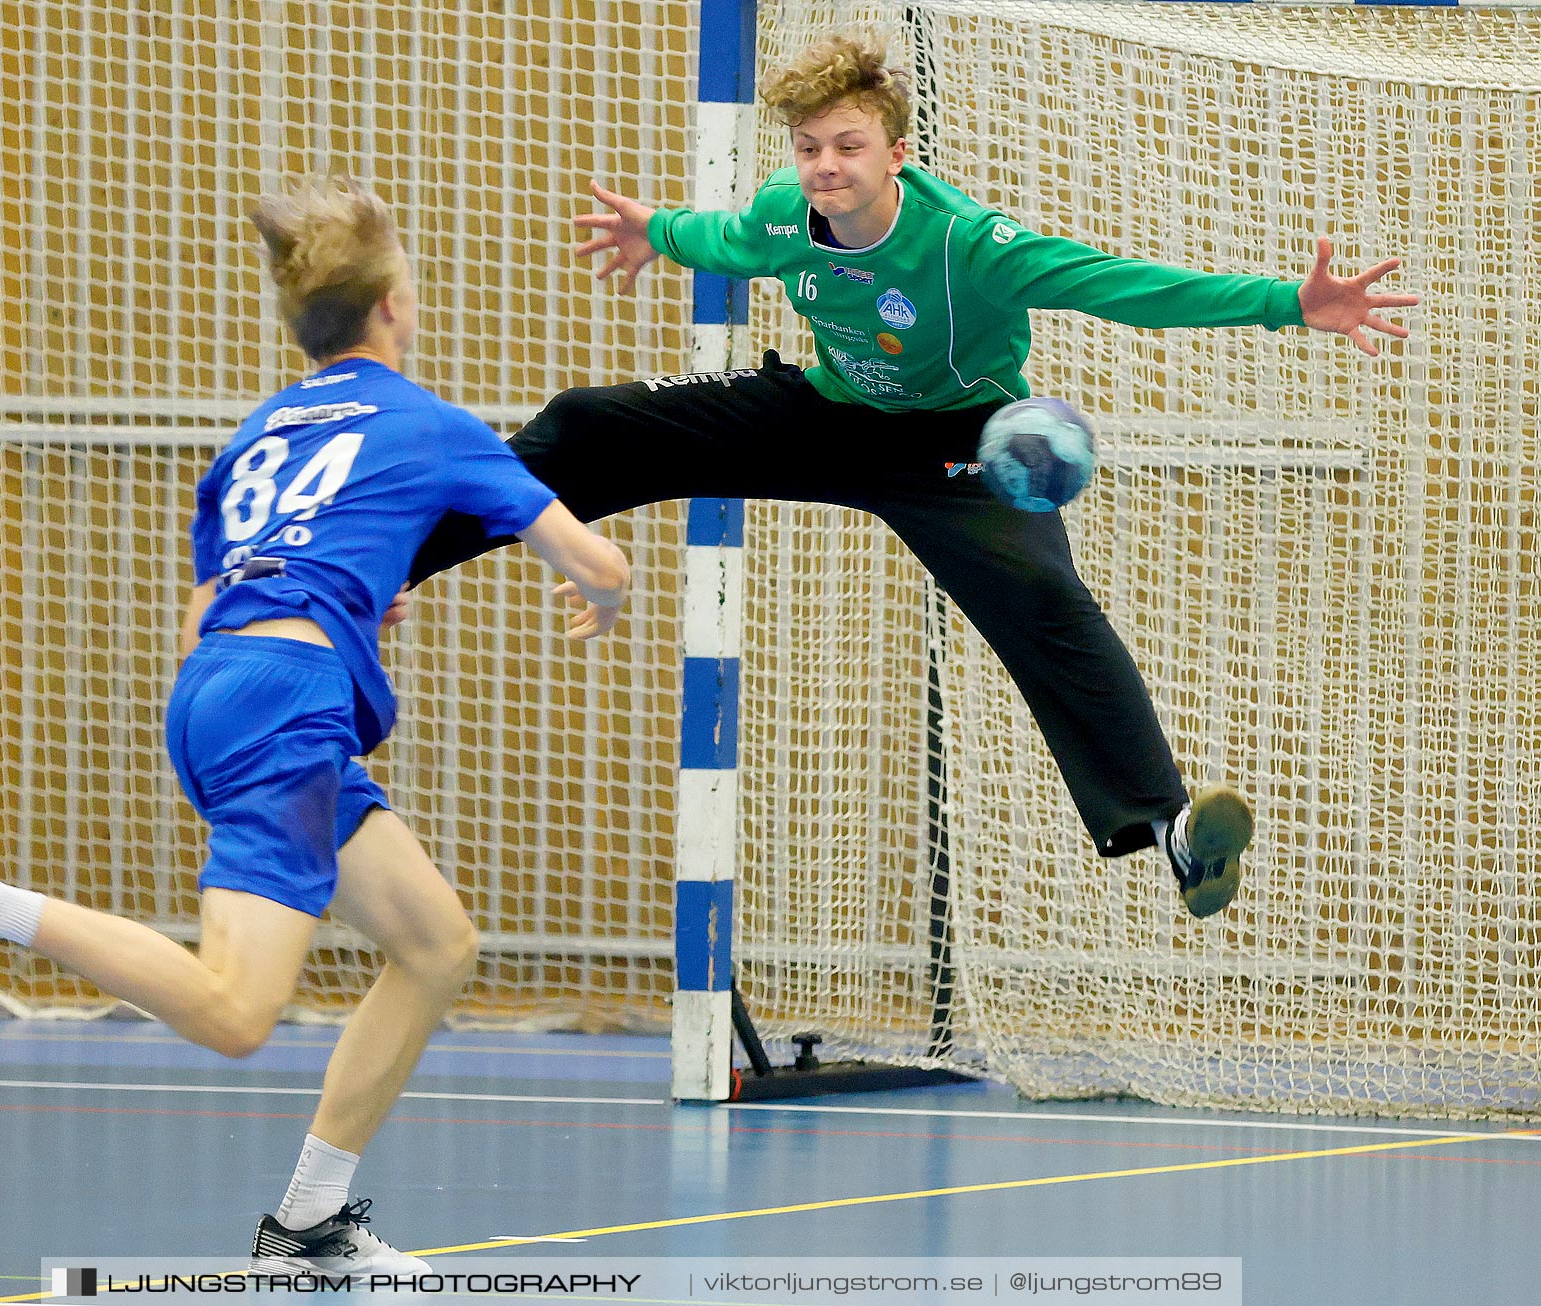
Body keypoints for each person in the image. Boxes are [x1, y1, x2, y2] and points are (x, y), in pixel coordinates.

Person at [408, 32, 1418, 920]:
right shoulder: (784, 212)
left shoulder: (968, 248)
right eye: (809, 148)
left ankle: (1171, 832)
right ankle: (384, 566)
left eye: (848, 147)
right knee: (591, 424)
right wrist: (653, 232)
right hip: (829, 415)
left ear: (896, 154)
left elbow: (1127, 288)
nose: (824, 167)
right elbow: (722, 237)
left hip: (960, 448)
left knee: (1041, 594)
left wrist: (1292, 303)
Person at [0, 177, 631, 1272]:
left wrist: (350, 599)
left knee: (434, 944)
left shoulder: (256, 434)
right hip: (286, 705)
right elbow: (595, 556)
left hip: (227, 690)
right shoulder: (428, 424)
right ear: (396, 306)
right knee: (240, 1012)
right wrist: (603, 595)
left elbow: (218, 603)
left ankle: (310, 1222)